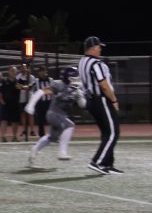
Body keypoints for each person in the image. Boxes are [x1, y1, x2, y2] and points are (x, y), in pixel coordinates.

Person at [25, 67, 87, 168]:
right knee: (69, 125)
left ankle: (34, 150)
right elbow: (41, 92)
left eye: (77, 78)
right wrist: (30, 105)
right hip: (52, 113)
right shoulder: (59, 84)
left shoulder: (77, 90)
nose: (76, 80)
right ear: (67, 78)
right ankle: (62, 152)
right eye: (74, 78)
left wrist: (81, 96)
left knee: (51, 137)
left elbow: (83, 105)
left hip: (61, 116)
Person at [78, 36, 123, 175]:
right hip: (101, 99)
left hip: (91, 101)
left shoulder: (82, 62)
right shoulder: (95, 63)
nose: (100, 49)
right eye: (98, 47)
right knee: (113, 132)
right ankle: (97, 162)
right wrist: (114, 100)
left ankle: (106, 164)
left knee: (106, 132)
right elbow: (103, 85)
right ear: (92, 48)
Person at [0, 66, 20, 142]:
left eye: (15, 71)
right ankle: (3, 136)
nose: (13, 72)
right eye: (12, 71)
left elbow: (25, 88)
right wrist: (2, 101)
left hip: (15, 104)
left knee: (15, 121)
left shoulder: (18, 82)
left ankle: (14, 136)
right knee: (4, 120)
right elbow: (0, 92)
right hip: (6, 104)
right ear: (8, 72)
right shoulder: (4, 81)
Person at [16, 64, 36, 139]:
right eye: (22, 68)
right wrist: (25, 87)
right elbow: (17, 86)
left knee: (30, 114)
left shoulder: (31, 77)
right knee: (23, 114)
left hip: (30, 98)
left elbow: (31, 87)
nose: (23, 69)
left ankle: (32, 130)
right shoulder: (19, 76)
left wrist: (23, 87)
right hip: (22, 98)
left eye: (25, 68)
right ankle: (24, 130)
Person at [34, 66, 52, 137]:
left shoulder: (51, 80)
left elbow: (54, 90)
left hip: (49, 102)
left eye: (44, 71)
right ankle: (42, 135)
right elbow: (30, 88)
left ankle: (53, 135)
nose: (43, 72)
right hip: (40, 103)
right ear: (38, 73)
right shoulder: (36, 81)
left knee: (52, 120)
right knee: (40, 121)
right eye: (41, 71)